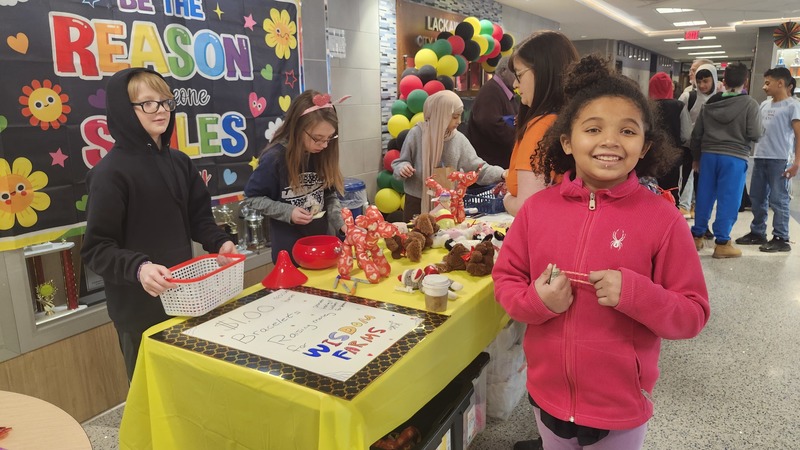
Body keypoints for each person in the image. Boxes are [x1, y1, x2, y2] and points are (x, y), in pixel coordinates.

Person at [493, 55, 710, 450]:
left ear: (644, 146)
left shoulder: (663, 220)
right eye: (593, 129)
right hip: (547, 397)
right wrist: (537, 302)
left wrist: (636, 294)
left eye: (627, 131)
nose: (610, 141)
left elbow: (693, 313)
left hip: (620, 408)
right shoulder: (537, 211)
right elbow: (506, 281)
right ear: (567, 141)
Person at [81, 68, 237, 381]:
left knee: (188, 388)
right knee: (152, 393)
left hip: (185, 300)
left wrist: (219, 241)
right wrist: (140, 268)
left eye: (166, 101)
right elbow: (97, 249)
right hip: (139, 312)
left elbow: (198, 218)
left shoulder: (179, 162)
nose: (161, 110)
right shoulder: (110, 173)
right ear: (125, 111)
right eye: (148, 103)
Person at [243, 90, 346, 264]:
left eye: (329, 138)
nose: (324, 145)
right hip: (289, 254)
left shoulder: (322, 153)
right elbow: (252, 198)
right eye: (318, 138)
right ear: (297, 128)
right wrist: (288, 212)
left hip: (322, 246)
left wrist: (340, 222)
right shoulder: (275, 158)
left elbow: (329, 194)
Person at [392, 90, 506, 221]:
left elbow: (477, 169)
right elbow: (400, 162)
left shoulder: (459, 139)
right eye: (455, 117)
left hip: (448, 204)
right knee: (416, 233)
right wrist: (403, 167)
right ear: (440, 114)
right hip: (416, 201)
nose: (459, 121)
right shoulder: (417, 134)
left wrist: (501, 174)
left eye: (460, 116)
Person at [690, 62, 763, 258]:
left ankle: (697, 236)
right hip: (734, 157)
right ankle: (722, 243)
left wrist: (696, 158)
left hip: (708, 156)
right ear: (745, 81)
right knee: (728, 199)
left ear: (723, 80)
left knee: (704, 195)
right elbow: (755, 133)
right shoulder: (750, 104)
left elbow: (696, 135)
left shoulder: (710, 103)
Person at [503, 31, 579, 216]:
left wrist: (507, 199)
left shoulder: (542, 126)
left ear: (543, 73)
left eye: (519, 75)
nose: (515, 84)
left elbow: (527, 208)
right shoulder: (572, 120)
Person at [735, 67, 800, 252]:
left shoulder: (793, 106)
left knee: (778, 200)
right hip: (760, 157)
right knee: (757, 197)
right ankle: (758, 232)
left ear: (780, 83)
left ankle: (781, 237)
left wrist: (797, 163)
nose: (764, 87)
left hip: (780, 160)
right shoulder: (764, 105)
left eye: (767, 83)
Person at [677, 60, 718, 218]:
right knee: (686, 178)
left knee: (704, 184)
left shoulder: (719, 99)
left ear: (714, 79)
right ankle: (685, 205)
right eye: (699, 81)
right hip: (689, 146)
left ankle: (698, 210)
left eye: (706, 81)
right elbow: (678, 116)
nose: (702, 85)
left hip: (709, 148)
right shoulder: (688, 96)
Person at [464, 56, 519, 168]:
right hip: (489, 167)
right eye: (516, 73)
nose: (518, 78)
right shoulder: (490, 92)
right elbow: (489, 124)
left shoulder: (506, 92)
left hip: (500, 165)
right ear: (503, 71)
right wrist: (519, 138)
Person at [649, 72, 692, 205]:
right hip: (674, 157)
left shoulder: (647, 106)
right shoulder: (679, 106)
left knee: (651, 190)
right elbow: (686, 135)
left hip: (650, 156)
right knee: (671, 192)